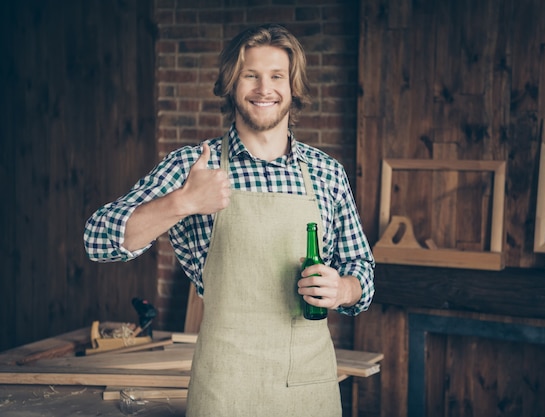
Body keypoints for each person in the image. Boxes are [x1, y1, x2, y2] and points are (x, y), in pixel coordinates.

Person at [84, 23, 374, 417]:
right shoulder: (192, 167)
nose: (263, 88)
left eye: (276, 76)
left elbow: (363, 272)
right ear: (231, 84)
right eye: (250, 75)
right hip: (224, 388)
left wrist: (342, 289)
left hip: (308, 387)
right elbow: (97, 239)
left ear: (293, 87)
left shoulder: (326, 172)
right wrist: (182, 202)